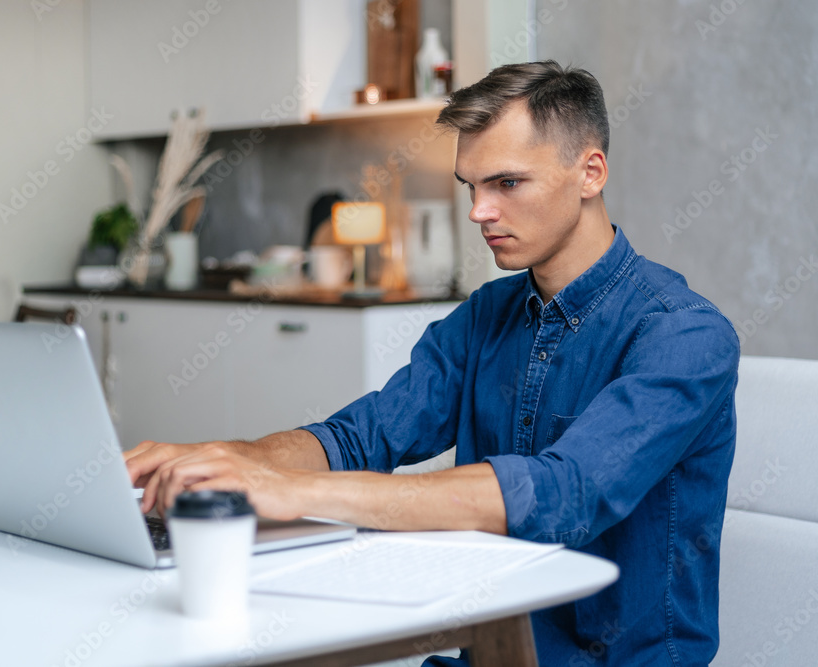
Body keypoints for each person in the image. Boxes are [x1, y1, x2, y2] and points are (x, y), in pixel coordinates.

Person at [125, 61, 739, 666]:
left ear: (590, 173)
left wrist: (287, 491)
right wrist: (224, 460)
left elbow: (564, 493)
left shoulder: (685, 335)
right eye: (471, 186)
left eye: (506, 183)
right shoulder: (485, 316)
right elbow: (360, 437)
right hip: (488, 655)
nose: (478, 212)